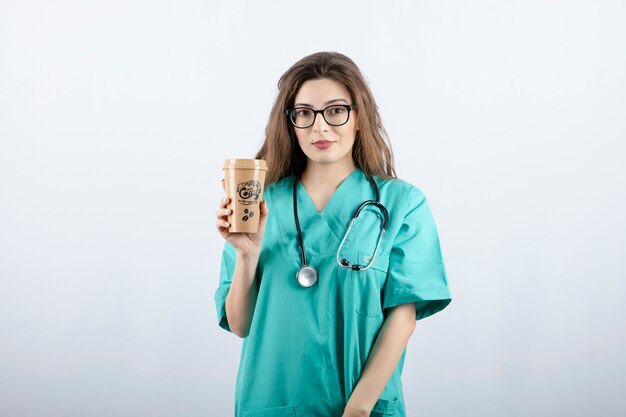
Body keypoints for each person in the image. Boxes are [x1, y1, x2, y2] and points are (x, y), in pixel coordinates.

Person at [214, 51, 452, 417]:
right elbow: (241, 325)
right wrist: (246, 253)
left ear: (359, 118)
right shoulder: (260, 206)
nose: (320, 128)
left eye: (336, 110)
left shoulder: (402, 204)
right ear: (290, 123)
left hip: (361, 407)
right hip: (271, 403)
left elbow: (402, 316)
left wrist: (358, 409)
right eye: (304, 113)